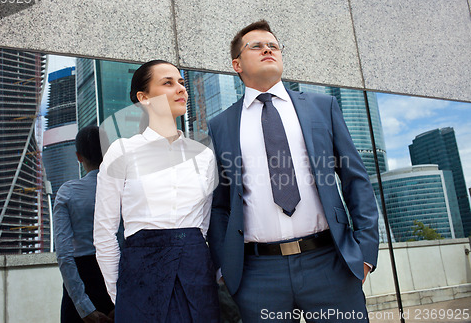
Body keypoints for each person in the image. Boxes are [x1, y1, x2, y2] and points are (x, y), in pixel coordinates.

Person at [207, 20, 379, 323]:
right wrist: (224, 268)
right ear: (237, 64)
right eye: (256, 46)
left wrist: (365, 252)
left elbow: (356, 179)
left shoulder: (321, 107)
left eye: (273, 45)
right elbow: (220, 205)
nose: (267, 50)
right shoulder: (221, 125)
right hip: (257, 276)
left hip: (330, 264)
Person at [93, 60, 220, 322]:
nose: (180, 89)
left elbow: (203, 224)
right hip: (139, 274)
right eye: (168, 83)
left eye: (182, 83)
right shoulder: (122, 151)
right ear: (144, 98)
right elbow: (104, 231)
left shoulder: (204, 155)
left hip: (196, 272)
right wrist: (121, 292)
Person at [53, 125, 114, 323]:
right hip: (114, 275)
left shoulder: (67, 192)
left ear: (79, 156)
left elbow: (64, 255)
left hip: (81, 280)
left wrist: (83, 306)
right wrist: (121, 301)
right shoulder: (124, 188)